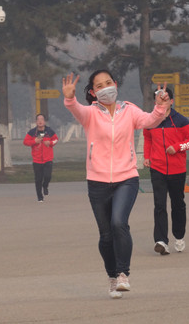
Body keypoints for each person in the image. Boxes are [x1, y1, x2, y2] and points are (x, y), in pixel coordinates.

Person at [62, 70, 169, 299]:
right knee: (105, 235)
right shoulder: (90, 114)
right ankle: (111, 276)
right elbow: (76, 109)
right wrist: (70, 98)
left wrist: (160, 107)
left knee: (119, 222)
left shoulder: (129, 110)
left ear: (116, 84)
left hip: (126, 178)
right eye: (99, 85)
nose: (105, 88)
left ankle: (123, 274)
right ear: (93, 92)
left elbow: (149, 121)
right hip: (97, 181)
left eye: (108, 82)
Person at [143, 88, 189, 255]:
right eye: (158, 101)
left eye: (164, 100)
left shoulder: (180, 120)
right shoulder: (151, 121)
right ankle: (161, 241)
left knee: (178, 204)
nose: (161, 103)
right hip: (157, 168)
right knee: (159, 205)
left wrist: (178, 147)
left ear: (171, 101)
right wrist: (147, 156)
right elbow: (147, 138)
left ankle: (179, 236)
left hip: (177, 170)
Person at [23, 114, 59, 202]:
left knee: (47, 176)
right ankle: (40, 197)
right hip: (37, 160)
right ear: (36, 122)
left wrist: (50, 143)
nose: (40, 121)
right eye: (38, 119)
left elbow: (56, 139)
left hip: (48, 159)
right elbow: (25, 142)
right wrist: (34, 141)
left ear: (44, 121)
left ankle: (45, 186)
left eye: (42, 119)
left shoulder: (49, 131)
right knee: (38, 179)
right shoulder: (32, 132)